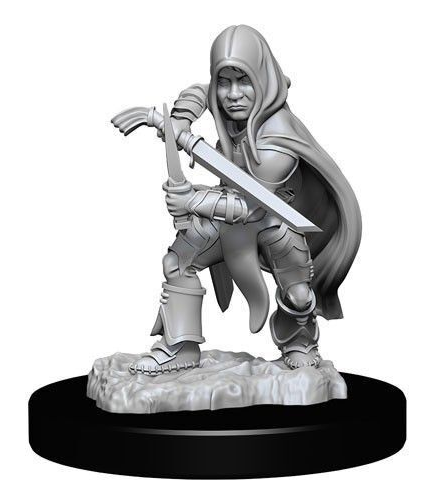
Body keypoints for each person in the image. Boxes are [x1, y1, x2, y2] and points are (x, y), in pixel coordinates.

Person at [129, 25, 361, 375]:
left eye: (244, 81)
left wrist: (191, 199)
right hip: (228, 220)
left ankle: (299, 340)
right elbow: (200, 91)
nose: (233, 94)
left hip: (274, 223)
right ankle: (180, 346)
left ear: (261, 78)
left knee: (299, 294)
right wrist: (178, 119)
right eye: (225, 82)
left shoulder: (278, 136)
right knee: (177, 263)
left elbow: (250, 206)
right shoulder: (225, 101)